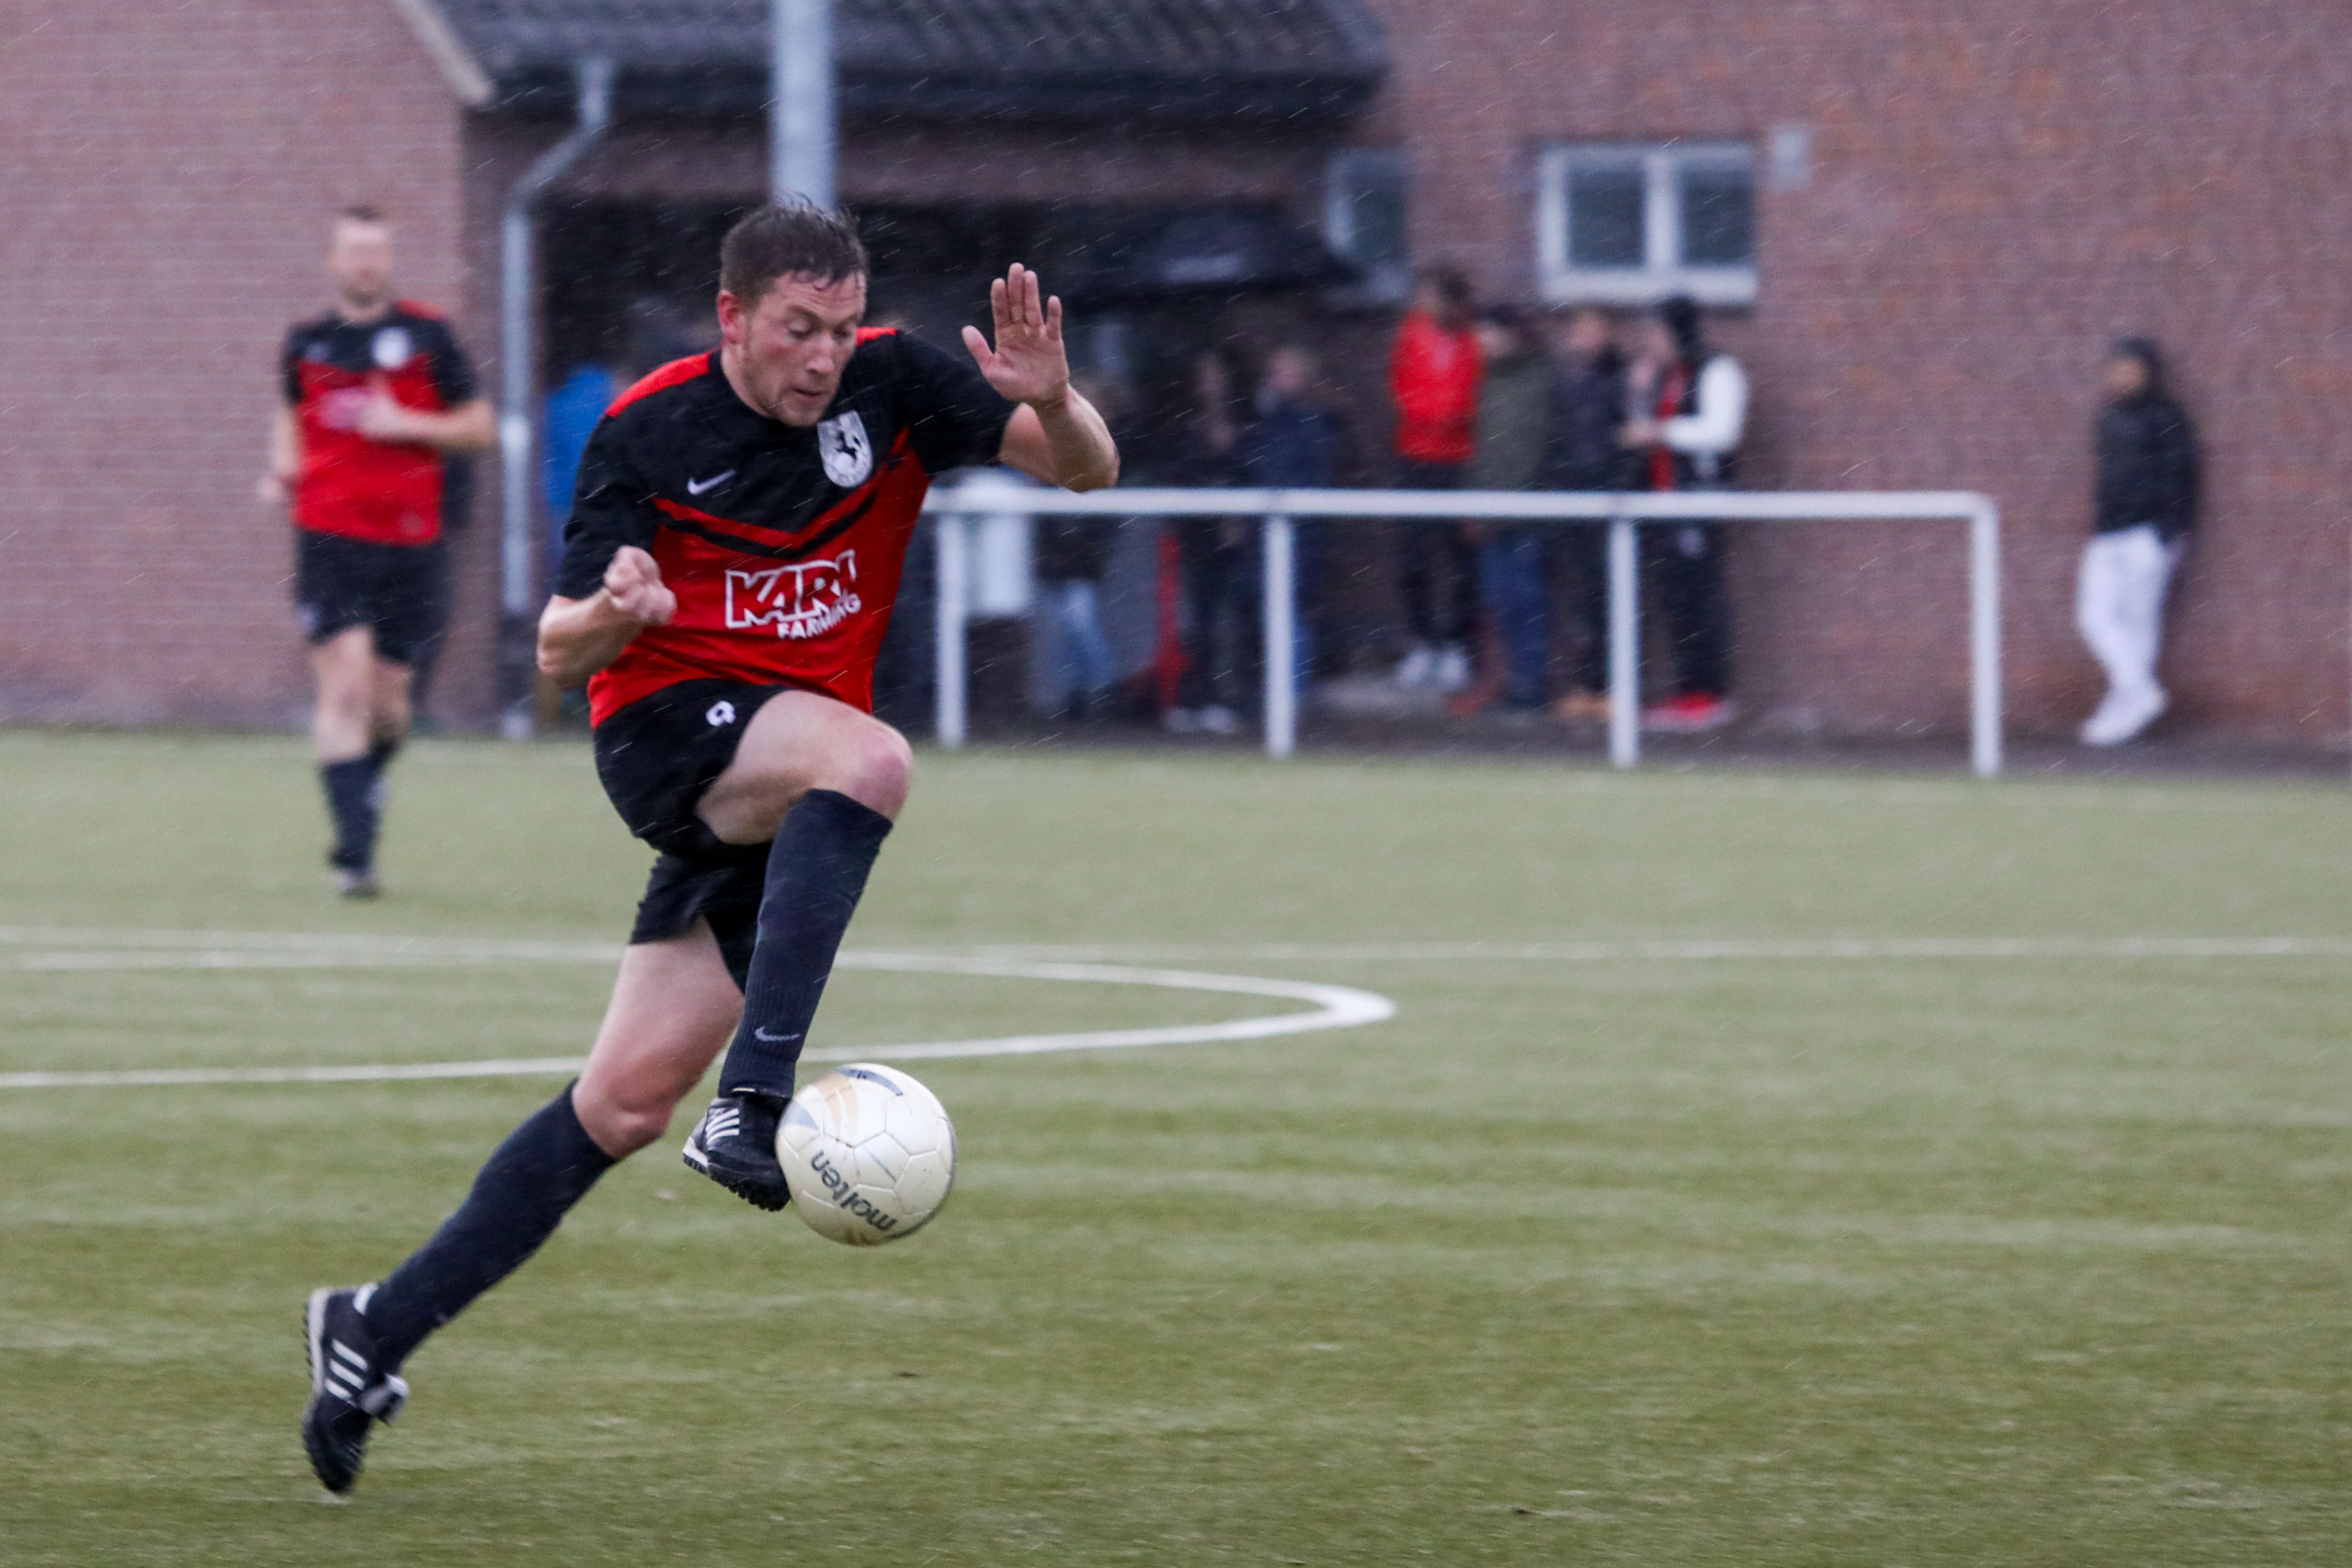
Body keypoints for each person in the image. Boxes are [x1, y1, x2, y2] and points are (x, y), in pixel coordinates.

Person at [296, 204, 1118, 1495]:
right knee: (873, 759)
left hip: (781, 786)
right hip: (671, 737)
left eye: (841, 328)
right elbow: (555, 650)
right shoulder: (651, 431)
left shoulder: (896, 384)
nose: (823, 357)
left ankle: (369, 1330)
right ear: (732, 316)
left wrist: (1055, 401)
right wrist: (612, 613)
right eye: (798, 329)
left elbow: (1087, 472)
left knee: (620, 1104)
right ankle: (756, 1102)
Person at [264, 206, 493, 896]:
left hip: (412, 543)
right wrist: (282, 468)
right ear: (333, 260)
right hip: (329, 537)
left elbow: (479, 426)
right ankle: (354, 857)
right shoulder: (305, 342)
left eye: (376, 251)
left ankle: (364, 781)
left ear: (389, 260)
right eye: (354, 250)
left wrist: (406, 422)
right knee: (346, 689)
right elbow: (289, 413)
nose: (365, 263)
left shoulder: (428, 336)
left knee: (391, 707)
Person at [1622, 296, 1746, 733]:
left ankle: (1710, 695)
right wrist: (1639, 394)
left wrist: (1662, 431)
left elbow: (1721, 432)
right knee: (1675, 600)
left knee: (1700, 598)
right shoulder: (1667, 377)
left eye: (1657, 332)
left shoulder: (1717, 371)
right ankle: (1688, 690)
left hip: (1698, 506)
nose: (1650, 342)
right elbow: (1640, 431)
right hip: (1664, 506)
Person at [2077, 337, 2199, 745]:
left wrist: (2169, 530)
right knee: (2094, 617)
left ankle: (2127, 712)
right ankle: (2140, 690)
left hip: (2148, 533)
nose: (2123, 376)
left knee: (2140, 625)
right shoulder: (2108, 417)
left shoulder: (2167, 417)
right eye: (2118, 368)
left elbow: (2182, 475)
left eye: (2131, 369)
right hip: (2108, 532)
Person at [1387, 266, 1482, 692]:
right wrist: (1432, 414)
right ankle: (1422, 643)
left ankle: (1457, 646)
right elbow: (1402, 389)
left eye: (1431, 296)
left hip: (1458, 461)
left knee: (1461, 559)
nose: (1424, 304)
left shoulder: (1471, 341)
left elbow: (1470, 397)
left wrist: (1445, 415)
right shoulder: (1410, 336)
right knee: (1411, 557)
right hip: (1414, 458)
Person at [1234, 344, 1346, 698]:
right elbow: (1252, 468)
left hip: (1300, 537)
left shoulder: (1313, 424)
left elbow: (1309, 480)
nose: (1277, 379)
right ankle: (1282, 694)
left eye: (1286, 372)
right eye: (1275, 371)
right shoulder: (1265, 423)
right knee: (1272, 610)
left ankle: (1295, 695)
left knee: (1290, 611)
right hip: (1265, 536)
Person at [1462, 308, 1556, 715]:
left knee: (1525, 599)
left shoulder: (1538, 380)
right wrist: (1472, 503)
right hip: (1491, 512)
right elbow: (1482, 451)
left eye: (1488, 336)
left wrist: (1495, 510)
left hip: (1524, 514)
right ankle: (1513, 681)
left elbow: (1529, 452)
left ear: (1511, 334)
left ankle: (1530, 685)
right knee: (1498, 599)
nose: (1482, 344)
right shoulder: (1487, 381)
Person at [1542, 307, 1632, 722]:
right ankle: (1588, 687)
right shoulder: (1566, 381)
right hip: (1573, 502)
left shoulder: (1622, 381)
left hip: (1607, 504)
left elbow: (1629, 440)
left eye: (1591, 329)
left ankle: (1613, 687)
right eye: (1577, 330)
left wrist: (1617, 487)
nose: (1582, 337)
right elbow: (1558, 440)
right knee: (1583, 600)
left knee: (1610, 599)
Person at [1168, 349, 1249, 735]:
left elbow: (1248, 476)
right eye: (1205, 377)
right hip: (1198, 538)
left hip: (1233, 544)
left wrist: (1238, 518)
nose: (1211, 385)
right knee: (1196, 621)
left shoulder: (1244, 426)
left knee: (1228, 622)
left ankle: (1224, 699)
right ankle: (1194, 699)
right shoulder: (1187, 428)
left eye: (1216, 376)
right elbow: (1182, 477)